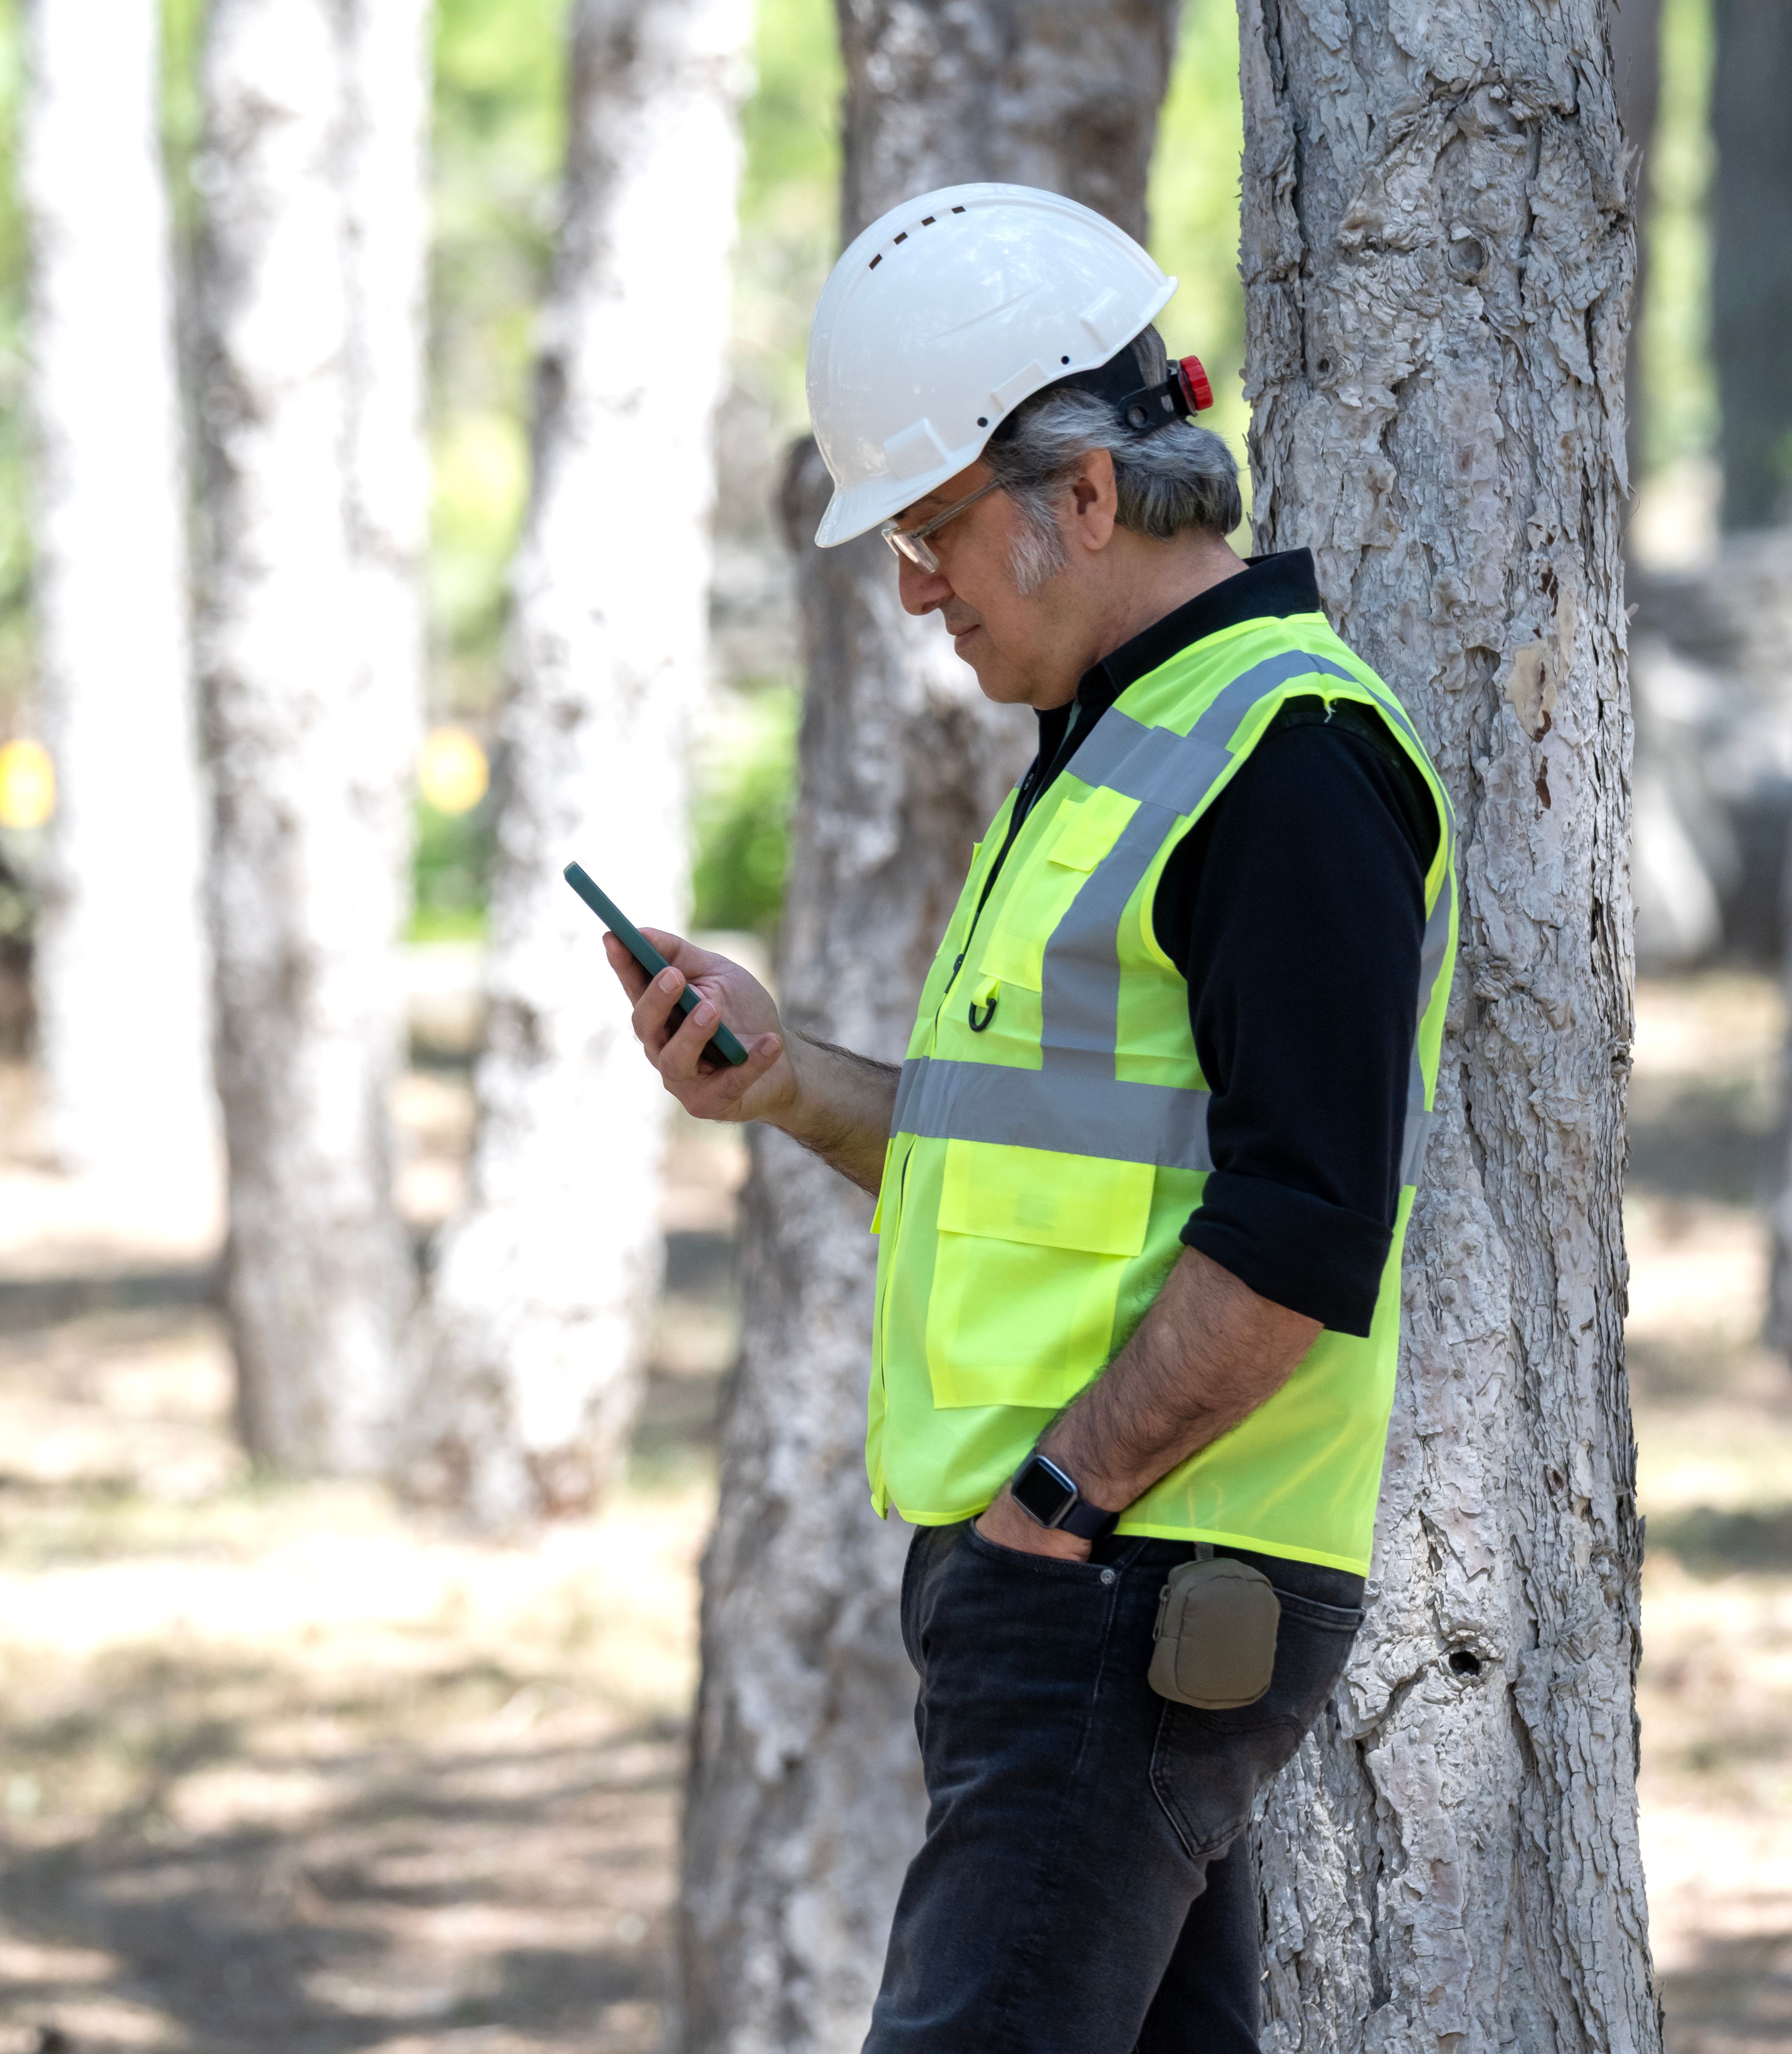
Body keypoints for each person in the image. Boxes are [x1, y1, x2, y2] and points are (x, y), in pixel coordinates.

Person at [609, 184, 1457, 2053]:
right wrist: (790, 1077)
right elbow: (1033, 1165)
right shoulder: (1111, 758)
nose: (915, 588)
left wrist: (1056, 1511)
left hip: (1128, 1576)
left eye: (930, 532)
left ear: (1082, 495)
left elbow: (1306, 1225)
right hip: (1088, 1577)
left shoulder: (1285, 766)